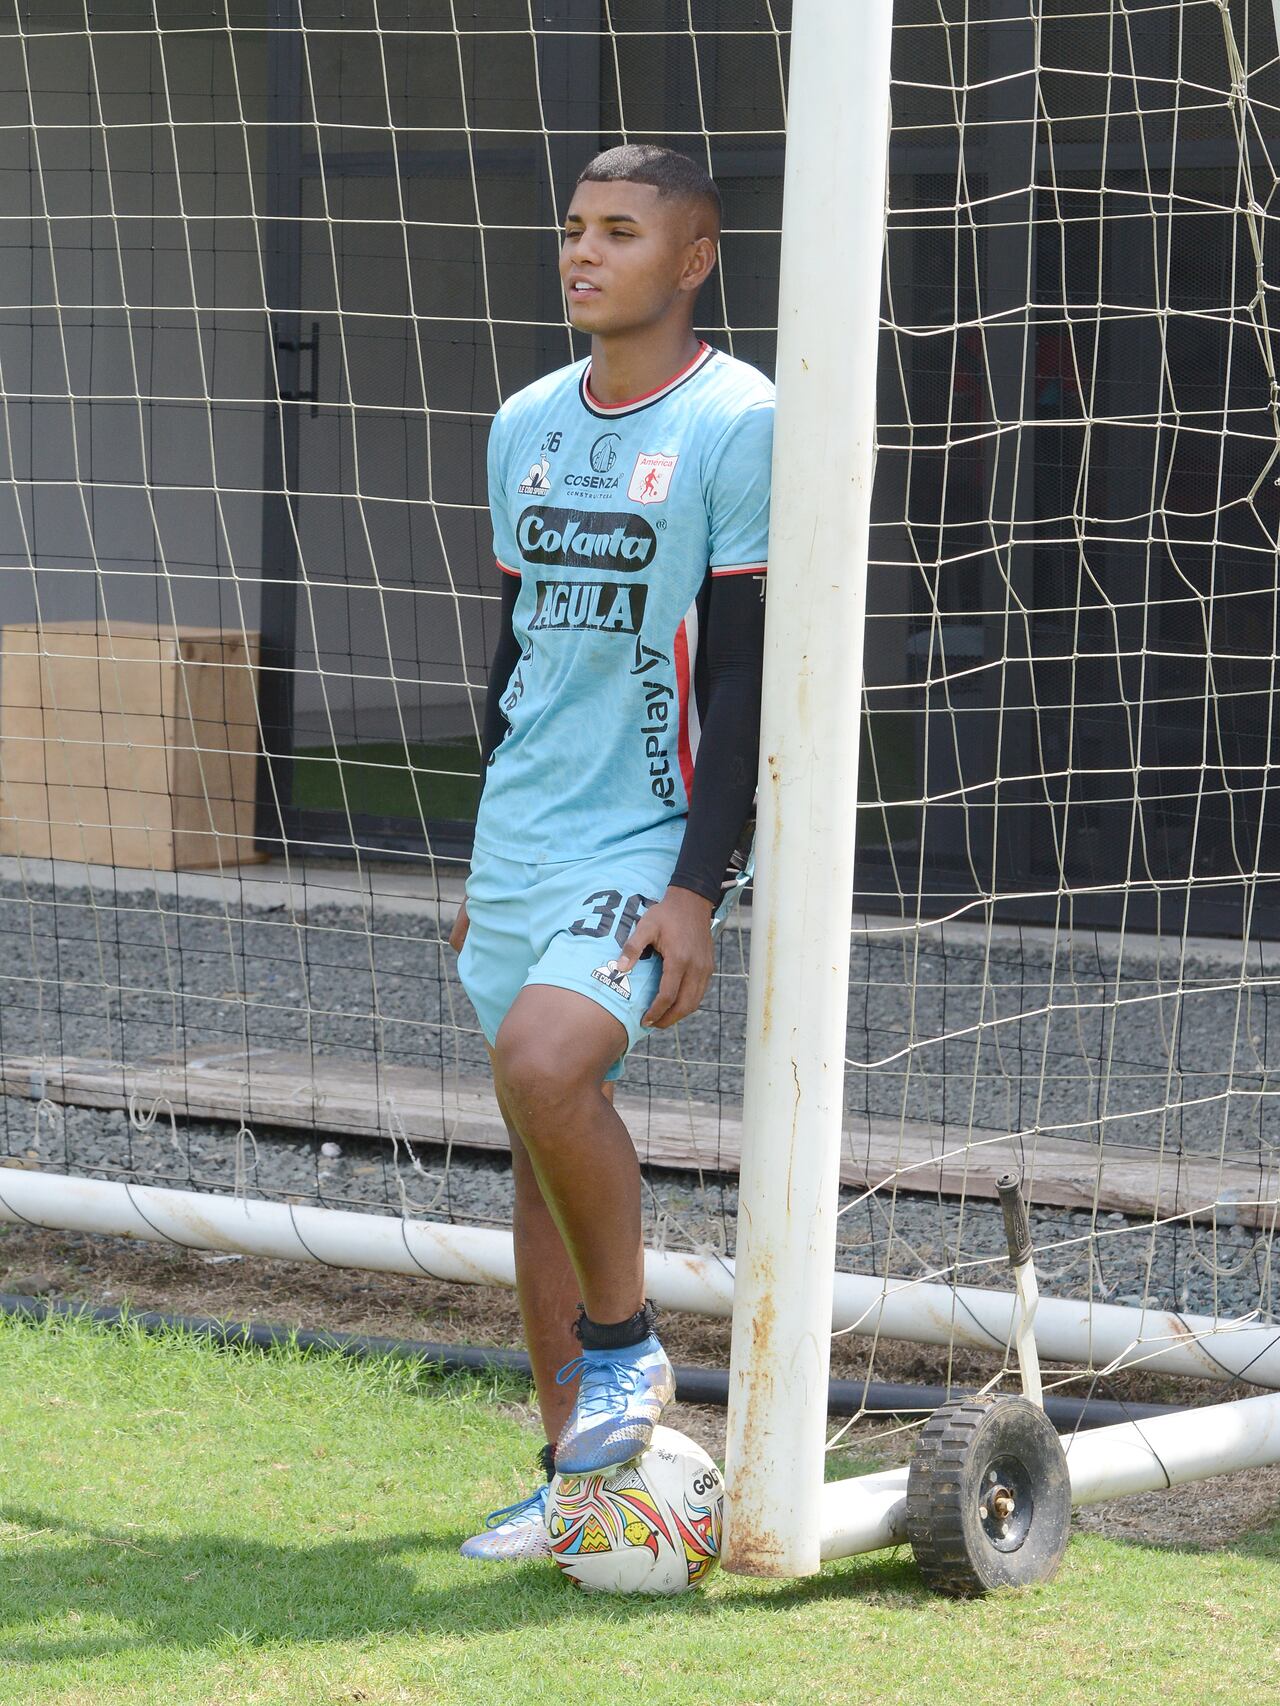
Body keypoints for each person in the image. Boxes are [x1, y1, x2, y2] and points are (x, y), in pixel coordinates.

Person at [452, 144, 772, 1561]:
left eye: (620, 231)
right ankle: (573, 1486)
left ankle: (630, 1343)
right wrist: (483, 841)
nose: (583, 252)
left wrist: (702, 883)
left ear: (692, 258)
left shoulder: (738, 422)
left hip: (648, 835)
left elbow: (749, 674)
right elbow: (512, 650)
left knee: (545, 1063)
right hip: (523, 833)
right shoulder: (524, 418)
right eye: (574, 229)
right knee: (536, 1148)